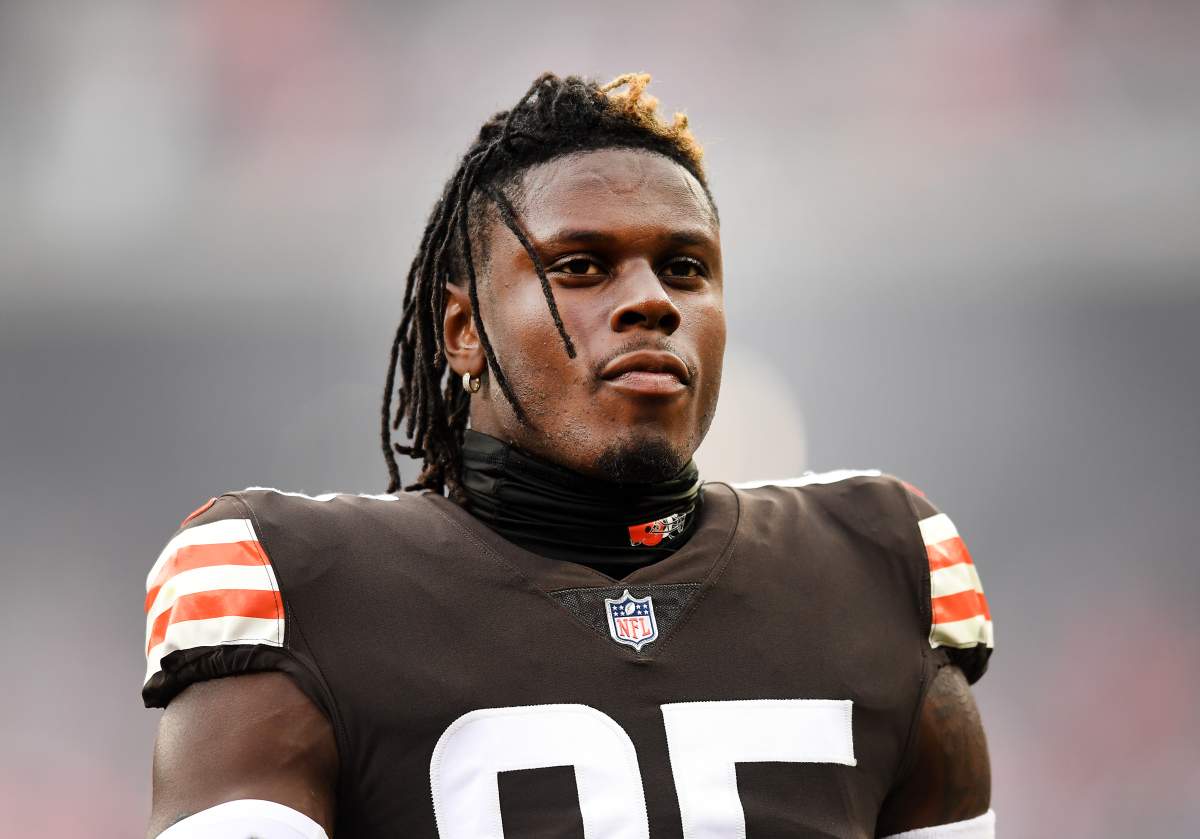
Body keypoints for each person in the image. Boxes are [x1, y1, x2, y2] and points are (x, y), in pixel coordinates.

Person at [142, 72, 994, 838]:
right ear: (464, 330)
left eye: (685, 268)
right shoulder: (302, 586)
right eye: (583, 266)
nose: (652, 302)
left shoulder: (879, 566)